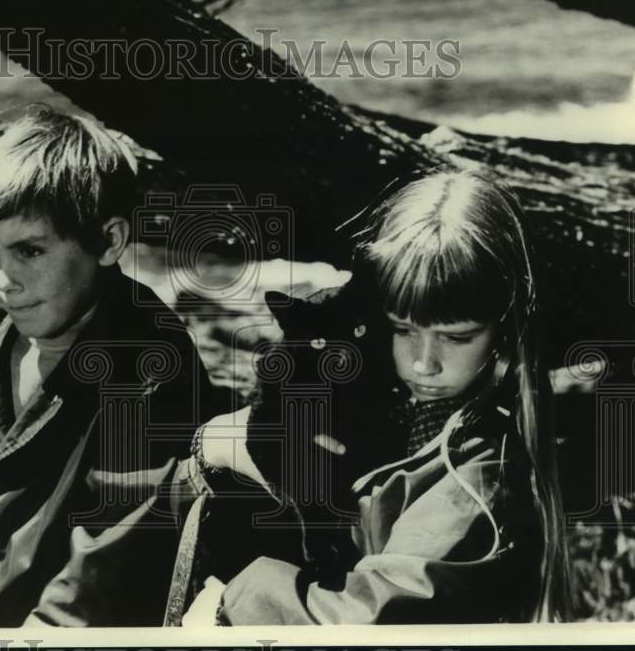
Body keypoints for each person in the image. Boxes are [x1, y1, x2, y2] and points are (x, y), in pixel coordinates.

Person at [178, 168, 574, 624]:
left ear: (506, 328)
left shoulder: (479, 479)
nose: (424, 362)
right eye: (403, 329)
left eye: (457, 337)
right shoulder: (395, 410)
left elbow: (370, 619)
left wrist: (233, 600)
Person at [0, 108, 212, 627]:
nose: (2, 282)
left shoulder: (150, 370)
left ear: (109, 241)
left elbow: (105, 578)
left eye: (30, 250)